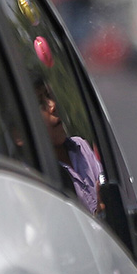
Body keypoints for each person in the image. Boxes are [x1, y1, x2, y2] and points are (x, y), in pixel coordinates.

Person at [36, 80, 104, 214]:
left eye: (49, 96)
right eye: (40, 103)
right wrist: (99, 214)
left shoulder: (80, 146)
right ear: (18, 134)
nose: (52, 105)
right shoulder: (38, 176)